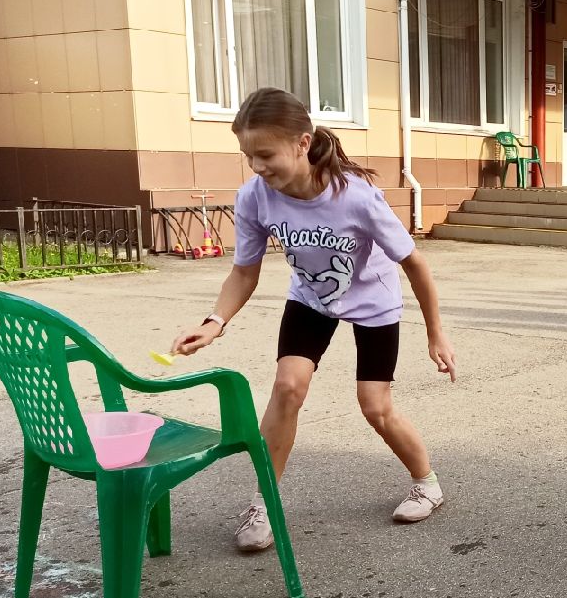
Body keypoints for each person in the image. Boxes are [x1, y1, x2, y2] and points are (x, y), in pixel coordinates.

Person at [171, 87, 458, 552]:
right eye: (248, 156)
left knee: (375, 406)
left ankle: (427, 483)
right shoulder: (255, 197)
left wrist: (436, 334)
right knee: (288, 387)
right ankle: (264, 503)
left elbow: (415, 263)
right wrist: (213, 322)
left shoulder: (356, 197)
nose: (257, 166)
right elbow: (243, 272)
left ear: (302, 143)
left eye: (266, 154)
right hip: (311, 298)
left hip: (373, 302)